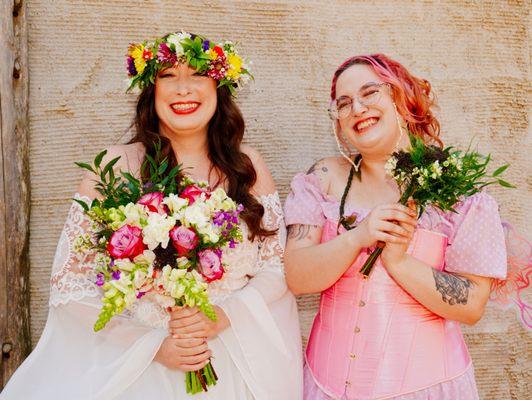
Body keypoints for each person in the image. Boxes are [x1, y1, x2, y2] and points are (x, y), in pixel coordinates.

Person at [1, 31, 302, 400]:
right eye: (168, 76)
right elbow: (71, 285)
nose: (183, 89)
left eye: (197, 75)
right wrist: (153, 346)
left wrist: (221, 318)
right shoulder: (112, 168)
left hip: (231, 357)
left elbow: (276, 267)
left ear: (219, 87)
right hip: (143, 366)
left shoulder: (247, 166)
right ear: (150, 90)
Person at [283, 53, 521, 399]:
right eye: (344, 104)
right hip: (326, 385)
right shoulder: (322, 179)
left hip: (426, 387)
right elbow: (297, 277)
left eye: (370, 93)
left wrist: (399, 261)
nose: (358, 109)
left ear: (400, 95)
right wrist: (357, 238)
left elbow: (471, 306)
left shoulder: (458, 191)